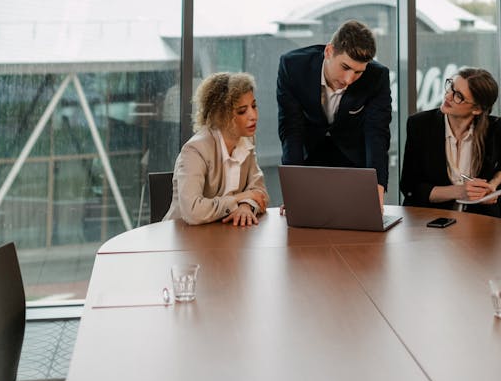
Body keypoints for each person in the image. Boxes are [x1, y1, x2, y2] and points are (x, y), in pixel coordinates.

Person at [277, 19, 391, 204]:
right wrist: (293, 189)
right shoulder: (293, 67)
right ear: (329, 51)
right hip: (310, 155)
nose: (349, 79)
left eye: (358, 72)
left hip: (354, 159)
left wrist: (376, 188)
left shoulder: (377, 77)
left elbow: (377, 133)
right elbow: (291, 129)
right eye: (345, 67)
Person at [400, 67, 501, 217]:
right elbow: (410, 187)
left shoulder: (495, 129)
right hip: (429, 222)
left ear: (476, 109)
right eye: (451, 87)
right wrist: (460, 191)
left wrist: (492, 185)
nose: (448, 96)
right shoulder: (420, 125)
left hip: (479, 223)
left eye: (458, 96)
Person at [165, 71, 269, 226]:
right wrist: (237, 199)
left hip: (223, 237)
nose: (253, 115)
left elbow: (259, 192)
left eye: (254, 106)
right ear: (221, 115)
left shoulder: (246, 140)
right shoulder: (195, 150)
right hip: (182, 240)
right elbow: (193, 211)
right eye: (242, 111)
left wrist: (245, 206)